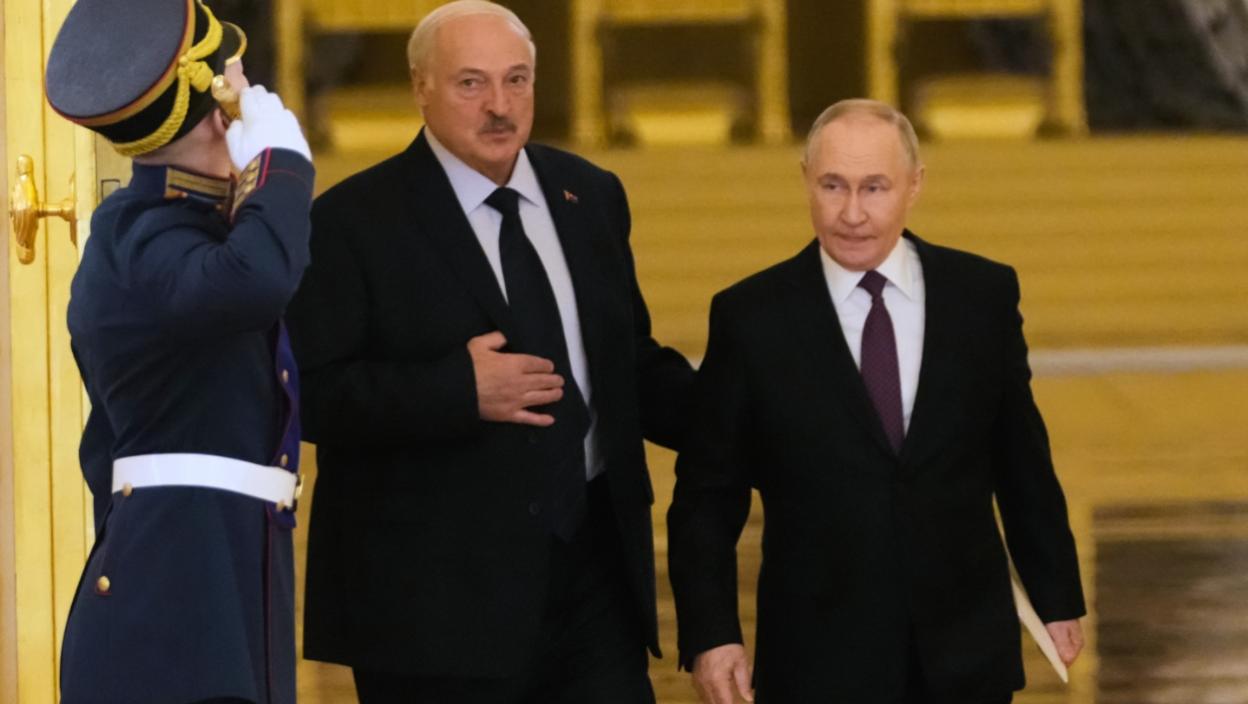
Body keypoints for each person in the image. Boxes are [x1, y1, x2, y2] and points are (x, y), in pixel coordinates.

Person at [285, 2, 694, 702]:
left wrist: (756, 416)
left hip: (594, 583)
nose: (500, 106)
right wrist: (457, 390)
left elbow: (625, 362)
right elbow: (311, 395)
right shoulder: (350, 222)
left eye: (516, 80)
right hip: (434, 609)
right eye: (471, 83)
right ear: (421, 88)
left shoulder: (591, 196)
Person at [667, 99, 1086, 704]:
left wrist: (1057, 595)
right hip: (816, 659)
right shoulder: (751, 317)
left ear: (915, 185)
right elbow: (707, 495)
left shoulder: (982, 295)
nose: (852, 213)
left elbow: (1021, 461)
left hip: (966, 655)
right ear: (805, 180)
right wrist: (712, 634)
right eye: (832, 186)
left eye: (874, 187)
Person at [45, 0, 314, 701]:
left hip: (212, 576)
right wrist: (282, 164)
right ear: (221, 108)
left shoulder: (183, 228)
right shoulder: (141, 236)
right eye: (238, 79)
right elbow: (256, 280)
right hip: (176, 600)